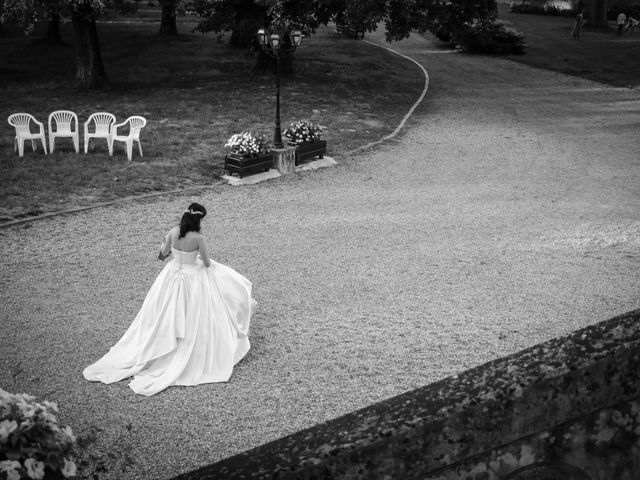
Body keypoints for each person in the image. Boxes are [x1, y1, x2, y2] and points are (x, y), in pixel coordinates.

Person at [83, 203, 255, 396]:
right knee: (196, 310)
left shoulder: (173, 232)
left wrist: (169, 249)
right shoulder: (199, 238)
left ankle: (162, 340)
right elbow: (206, 264)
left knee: (164, 309)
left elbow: (163, 255)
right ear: (199, 220)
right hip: (192, 278)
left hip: (171, 275)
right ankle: (186, 348)